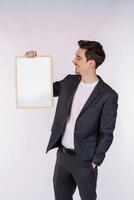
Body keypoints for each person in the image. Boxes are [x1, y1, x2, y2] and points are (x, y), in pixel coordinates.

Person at [25, 40, 118, 200]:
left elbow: (107, 133)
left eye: (78, 57)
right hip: (63, 158)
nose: (74, 60)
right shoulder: (69, 81)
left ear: (91, 63)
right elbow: (42, 90)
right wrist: (32, 64)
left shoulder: (108, 95)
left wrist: (95, 161)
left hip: (85, 161)